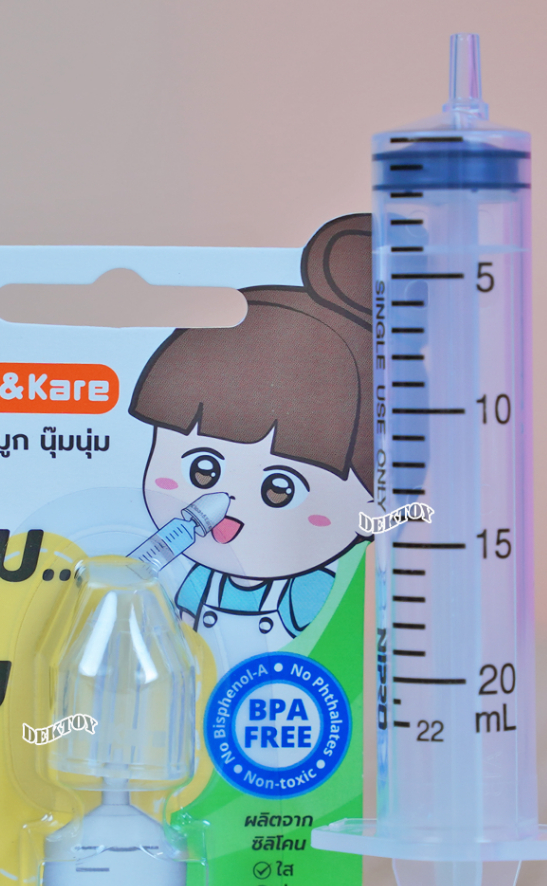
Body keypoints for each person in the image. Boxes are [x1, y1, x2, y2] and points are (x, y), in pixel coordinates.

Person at [129, 215, 374, 666]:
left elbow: (335, 645)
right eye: (203, 469)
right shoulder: (200, 582)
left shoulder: (306, 593)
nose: (224, 504)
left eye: (279, 488)